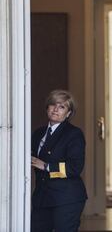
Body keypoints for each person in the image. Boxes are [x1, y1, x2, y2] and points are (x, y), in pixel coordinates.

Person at [31, 90, 87, 232]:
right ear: (47, 108)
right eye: (53, 105)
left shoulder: (74, 134)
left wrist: (46, 166)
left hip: (66, 198)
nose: (56, 109)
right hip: (42, 198)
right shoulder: (38, 133)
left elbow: (75, 167)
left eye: (62, 107)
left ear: (68, 113)